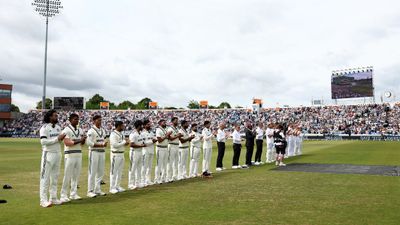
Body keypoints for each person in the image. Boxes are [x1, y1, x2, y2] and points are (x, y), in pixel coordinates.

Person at [39, 110, 66, 207]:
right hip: (48, 154)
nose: (57, 117)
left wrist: (61, 139)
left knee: (55, 178)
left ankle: (53, 198)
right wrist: (57, 139)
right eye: (55, 116)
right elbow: (43, 142)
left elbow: (59, 141)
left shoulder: (58, 128)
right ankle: (43, 200)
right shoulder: (44, 128)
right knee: (45, 178)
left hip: (58, 153)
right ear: (50, 117)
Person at [60, 113, 86, 203]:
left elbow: (82, 143)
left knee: (76, 175)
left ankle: (73, 194)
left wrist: (84, 140)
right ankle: (63, 195)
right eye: (75, 119)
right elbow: (67, 143)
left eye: (78, 119)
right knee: (67, 175)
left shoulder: (80, 130)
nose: (77, 121)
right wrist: (80, 140)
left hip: (78, 154)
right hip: (70, 154)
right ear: (70, 120)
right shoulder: (66, 130)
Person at [86, 115, 107, 198]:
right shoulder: (91, 131)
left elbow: (104, 140)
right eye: (98, 120)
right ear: (94, 121)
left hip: (102, 152)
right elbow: (89, 143)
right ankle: (89, 191)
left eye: (101, 120)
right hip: (94, 152)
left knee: (100, 172)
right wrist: (101, 145)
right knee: (92, 172)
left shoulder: (102, 130)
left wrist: (103, 144)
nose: (100, 122)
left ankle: (97, 189)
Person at [109, 121, 129, 194]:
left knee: (120, 172)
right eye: (122, 125)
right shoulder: (113, 134)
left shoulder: (121, 134)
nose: (123, 127)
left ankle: (117, 186)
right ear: (118, 126)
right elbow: (115, 145)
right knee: (114, 172)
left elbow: (122, 144)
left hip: (121, 154)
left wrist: (126, 143)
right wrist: (124, 142)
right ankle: (112, 188)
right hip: (115, 154)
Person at [128, 120, 146, 190]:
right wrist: (141, 146)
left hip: (140, 152)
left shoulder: (140, 133)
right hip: (134, 152)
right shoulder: (133, 134)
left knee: (139, 168)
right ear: (139, 126)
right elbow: (131, 144)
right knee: (132, 168)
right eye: (141, 125)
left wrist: (143, 145)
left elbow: (141, 142)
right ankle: (131, 184)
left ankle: (137, 183)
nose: (143, 127)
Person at [154, 119, 172, 184]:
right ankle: (157, 179)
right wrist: (167, 135)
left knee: (165, 164)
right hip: (160, 148)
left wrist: (169, 135)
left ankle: (163, 178)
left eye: (165, 122)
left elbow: (168, 138)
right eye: (163, 122)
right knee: (159, 164)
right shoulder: (158, 130)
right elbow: (159, 140)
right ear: (160, 123)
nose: (165, 123)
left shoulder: (165, 129)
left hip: (165, 148)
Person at [141, 119, 157, 186]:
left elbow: (155, 138)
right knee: (144, 167)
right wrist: (152, 141)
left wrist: (154, 140)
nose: (149, 125)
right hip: (145, 151)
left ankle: (148, 180)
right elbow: (144, 143)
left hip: (151, 150)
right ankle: (142, 181)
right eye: (148, 124)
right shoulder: (142, 133)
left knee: (149, 167)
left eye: (150, 124)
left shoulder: (151, 132)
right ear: (144, 125)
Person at [167, 117, 182, 182]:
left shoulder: (177, 129)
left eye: (177, 121)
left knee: (176, 162)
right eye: (176, 121)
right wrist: (178, 136)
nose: (177, 122)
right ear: (172, 121)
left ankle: (175, 176)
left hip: (177, 145)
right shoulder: (170, 129)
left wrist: (179, 136)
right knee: (170, 162)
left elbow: (177, 137)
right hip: (171, 145)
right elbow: (170, 138)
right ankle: (169, 177)